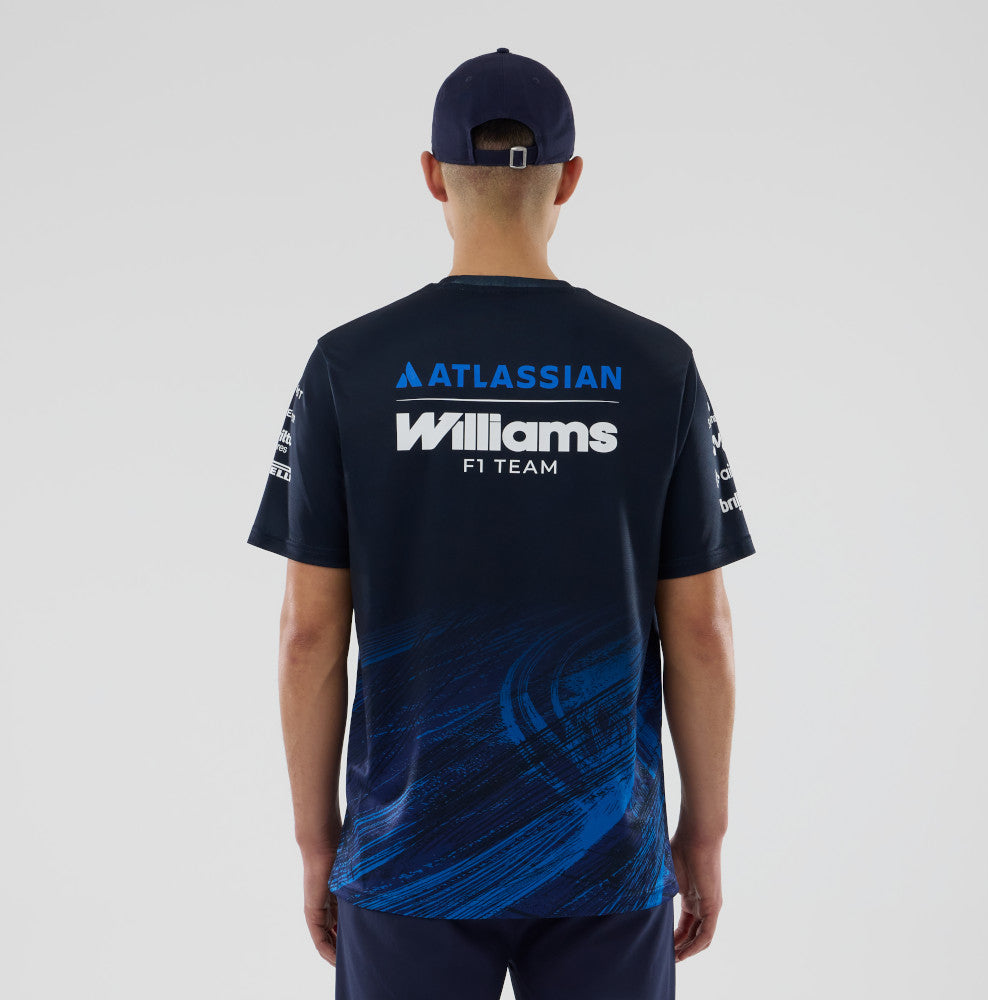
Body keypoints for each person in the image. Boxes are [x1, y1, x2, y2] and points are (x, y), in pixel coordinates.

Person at [246, 46, 756, 1000]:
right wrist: (705, 833)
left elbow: (308, 634)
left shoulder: (351, 367)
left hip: (408, 859)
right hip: (604, 854)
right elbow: (701, 631)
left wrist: (318, 843)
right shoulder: (656, 366)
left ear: (432, 175)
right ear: (570, 178)